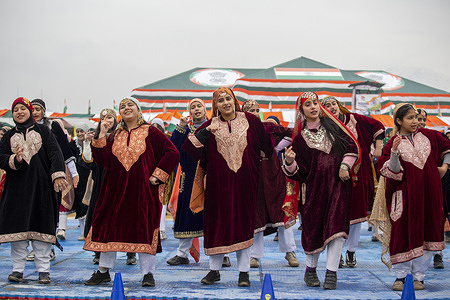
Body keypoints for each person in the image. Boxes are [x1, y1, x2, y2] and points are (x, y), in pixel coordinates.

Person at [83, 97, 179, 287]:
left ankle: (148, 274)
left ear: (138, 110)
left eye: (130, 105)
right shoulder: (114, 136)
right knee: (108, 227)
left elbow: (172, 152)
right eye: (122, 106)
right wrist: (101, 133)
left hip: (142, 191)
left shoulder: (151, 131)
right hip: (114, 191)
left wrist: (157, 175)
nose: (126, 108)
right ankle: (103, 272)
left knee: (144, 228)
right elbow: (102, 160)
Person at [182, 87, 272, 287]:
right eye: (220, 100)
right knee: (217, 225)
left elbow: (266, 146)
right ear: (215, 105)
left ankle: (244, 273)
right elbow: (189, 148)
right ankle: (214, 271)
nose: (225, 103)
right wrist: (206, 132)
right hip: (217, 185)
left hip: (245, 184)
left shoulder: (251, 120)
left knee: (244, 225)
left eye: (228, 98)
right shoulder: (210, 125)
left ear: (234, 100)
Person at [282, 92, 360, 290]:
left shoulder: (334, 128)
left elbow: (352, 146)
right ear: (301, 111)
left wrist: (345, 166)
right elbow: (298, 174)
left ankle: (332, 273)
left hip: (338, 188)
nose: (313, 107)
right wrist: (289, 162)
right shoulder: (299, 140)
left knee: (337, 229)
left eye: (315, 103)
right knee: (312, 230)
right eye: (308, 104)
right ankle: (311, 270)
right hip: (313, 192)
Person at [375, 103, 450, 291]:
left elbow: (447, 147)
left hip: (429, 193)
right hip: (404, 195)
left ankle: (419, 277)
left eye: (416, 117)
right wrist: (393, 153)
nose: (415, 121)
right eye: (410, 118)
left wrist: (444, 167)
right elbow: (389, 171)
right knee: (402, 231)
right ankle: (401, 276)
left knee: (427, 229)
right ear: (399, 121)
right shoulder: (393, 142)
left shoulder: (431, 136)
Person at [0, 97, 67, 284]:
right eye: (15, 110)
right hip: (16, 191)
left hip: (42, 189)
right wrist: (15, 159)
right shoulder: (8, 136)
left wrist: (58, 175)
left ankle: (43, 271)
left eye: (23, 108)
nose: (19, 112)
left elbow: (55, 153)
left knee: (41, 231)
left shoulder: (44, 131)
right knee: (18, 233)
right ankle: (17, 270)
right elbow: (1, 157)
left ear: (29, 110)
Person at [322, 96, 385, 267]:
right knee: (336, 213)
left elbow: (377, 126)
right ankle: (338, 253)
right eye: (327, 105)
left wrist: (378, 147)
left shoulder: (354, 119)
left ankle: (351, 252)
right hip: (334, 174)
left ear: (339, 105)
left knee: (356, 214)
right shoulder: (323, 125)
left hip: (359, 171)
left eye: (333, 103)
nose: (331, 107)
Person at [241, 100, 299, 268]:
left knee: (281, 212)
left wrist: (276, 148)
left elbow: (292, 132)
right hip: (253, 178)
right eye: (251, 109)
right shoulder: (239, 130)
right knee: (255, 215)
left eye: (257, 109)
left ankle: (290, 252)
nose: (255, 112)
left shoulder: (267, 126)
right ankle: (254, 256)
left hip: (274, 176)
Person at [31, 99, 79, 244]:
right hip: (31, 176)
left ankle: (49, 245)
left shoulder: (53, 126)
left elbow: (64, 151)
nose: (35, 112)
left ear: (44, 111)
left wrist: (74, 173)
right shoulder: (24, 129)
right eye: (32, 109)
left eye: (37, 109)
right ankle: (34, 246)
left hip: (52, 175)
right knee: (32, 211)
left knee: (49, 210)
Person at [166, 99, 208, 266]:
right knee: (186, 214)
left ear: (205, 109)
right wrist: (181, 127)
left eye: (199, 106)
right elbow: (173, 147)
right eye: (193, 107)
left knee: (213, 215)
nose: (196, 109)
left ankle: (222, 254)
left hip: (209, 176)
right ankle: (182, 254)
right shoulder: (185, 129)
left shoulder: (213, 127)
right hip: (188, 178)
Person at [68, 124, 90, 241]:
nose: (81, 134)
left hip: (90, 177)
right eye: (79, 131)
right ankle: (83, 232)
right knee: (80, 203)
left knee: (90, 204)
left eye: (83, 131)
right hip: (77, 177)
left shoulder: (91, 143)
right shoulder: (72, 145)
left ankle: (90, 232)